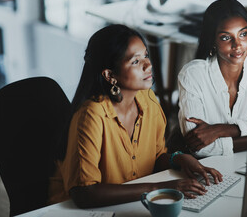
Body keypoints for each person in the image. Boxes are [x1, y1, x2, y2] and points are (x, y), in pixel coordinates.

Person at [48, 24, 223, 208]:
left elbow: (154, 159)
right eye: (135, 61)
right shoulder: (92, 115)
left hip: (130, 203)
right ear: (109, 75)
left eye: (146, 55)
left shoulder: (148, 99)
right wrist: (158, 188)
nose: (148, 65)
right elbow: (85, 194)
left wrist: (178, 159)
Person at [178, 0, 247, 158]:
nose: (237, 45)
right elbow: (199, 147)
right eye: (226, 37)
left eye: (243, 34)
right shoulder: (192, 75)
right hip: (212, 170)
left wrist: (221, 130)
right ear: (213, 40)